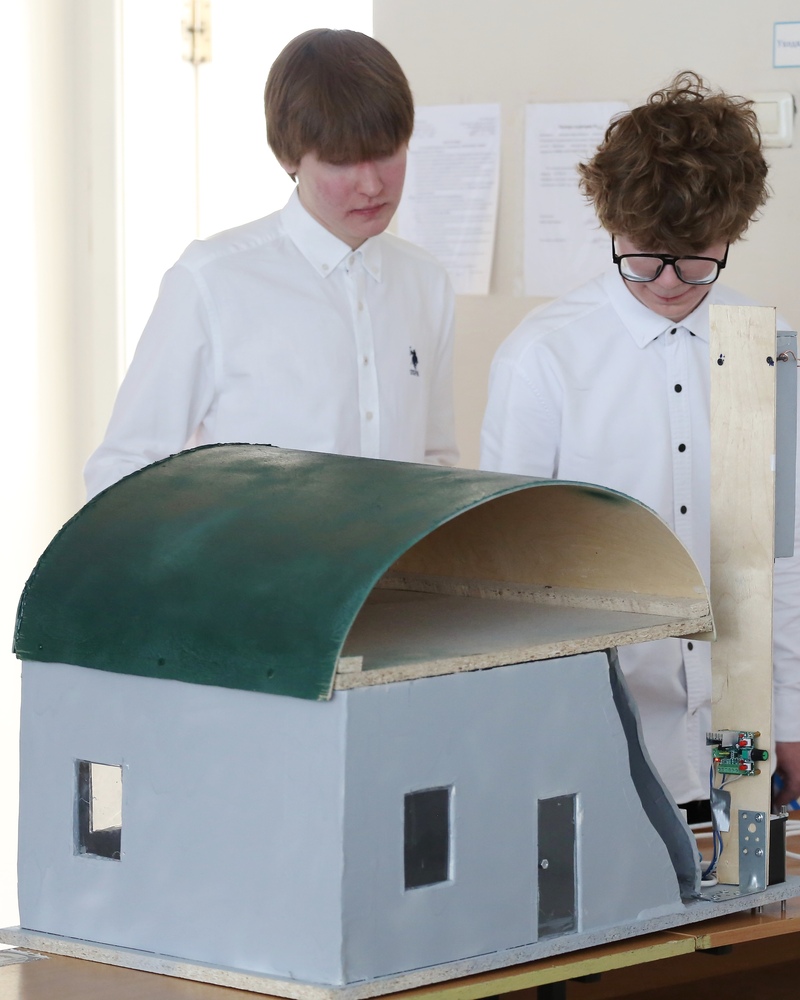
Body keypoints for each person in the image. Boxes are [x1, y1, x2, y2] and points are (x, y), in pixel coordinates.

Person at [480, 72, 800, 814]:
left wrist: (789, 714)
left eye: (696, 256)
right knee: (620, 883)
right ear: (612, 222)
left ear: (733, 229)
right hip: (597, 734)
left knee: (745, 871)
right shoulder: (544, 358)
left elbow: (782, 556)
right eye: (645, 254)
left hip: (738, 724)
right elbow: (505, 578)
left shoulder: (772, 348)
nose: (667, 281)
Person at [84, 28, 457, 500]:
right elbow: (122, 469)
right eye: (342, 161)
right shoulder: (212, 280)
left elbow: (435, 462)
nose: (371, 185)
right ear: (287, 156)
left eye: (386, 153)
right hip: (248, 551)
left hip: (398, 552)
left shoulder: (426, 281)